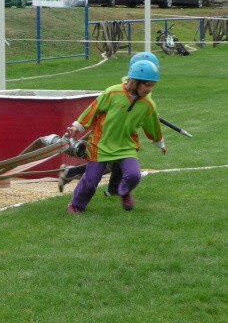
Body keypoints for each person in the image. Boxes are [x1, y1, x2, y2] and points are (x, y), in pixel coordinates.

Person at [66, 60, 166, 214]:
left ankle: (124, 192)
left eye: (152, 85)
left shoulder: (148, 105)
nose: (149, 89)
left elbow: (152, 125)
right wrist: (77, 127)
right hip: (101, 144)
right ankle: (77, 205)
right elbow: (93, 110)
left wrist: (159, 142)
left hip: (126, 146)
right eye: (146, 85)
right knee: (91, 181)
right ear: (135, 81)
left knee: (133, 175)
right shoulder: (113, 93)